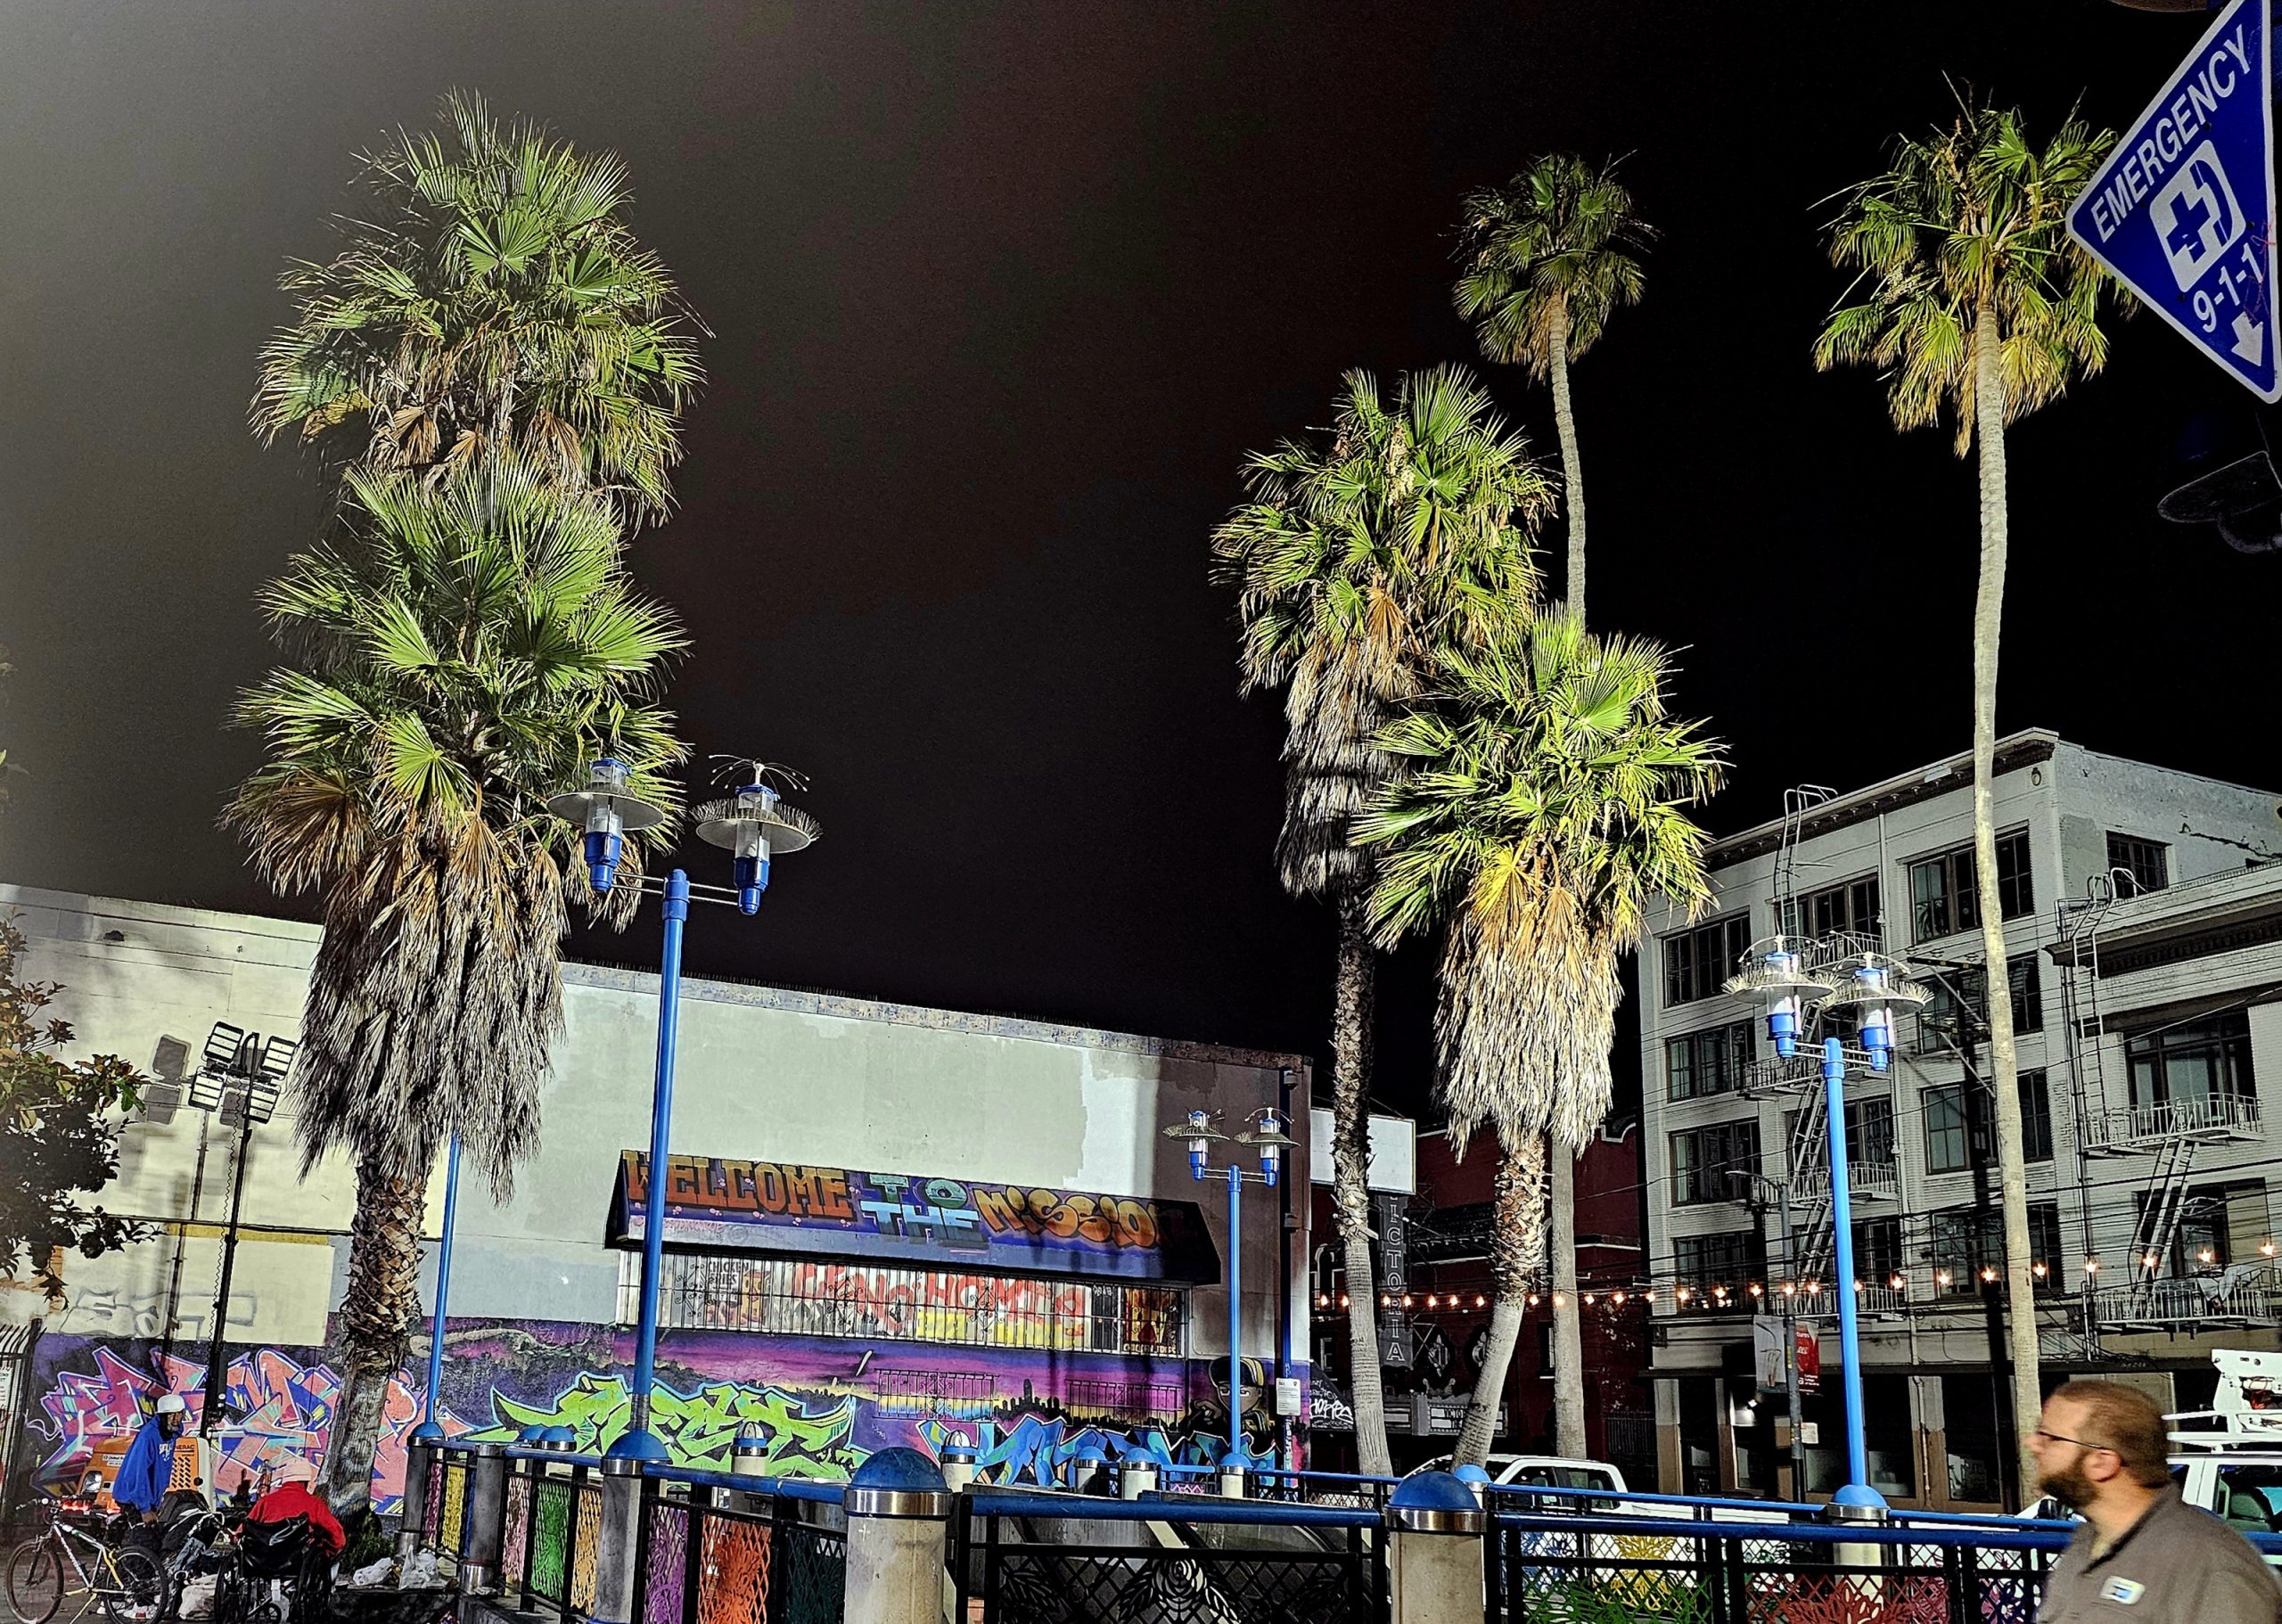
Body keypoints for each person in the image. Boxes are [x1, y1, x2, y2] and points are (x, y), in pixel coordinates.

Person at [2032, 1379, 2282, 1624]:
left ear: (2102, 1462)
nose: (2032, 1444)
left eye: (2050, 1438)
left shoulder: (2207, 1566)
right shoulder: (2086, 1543)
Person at [112, 1393, 186, 1538]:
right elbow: (135, 1474)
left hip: (150, 1499)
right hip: (134, 1500)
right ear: (162, 1416)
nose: (176, 1419)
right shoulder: (148, 1436)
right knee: (141, 1547)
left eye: (179, 1414)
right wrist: (144, 1509)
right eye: (171, 1415)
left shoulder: (171, 1434)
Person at [243, 1461, 345, 1557]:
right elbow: (338, 1536)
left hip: (261, 1560)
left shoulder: (264, 1502)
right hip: (297, 1563)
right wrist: (327, 1550)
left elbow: (242, 1530)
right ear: (306, 1482)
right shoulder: (314, 1503)